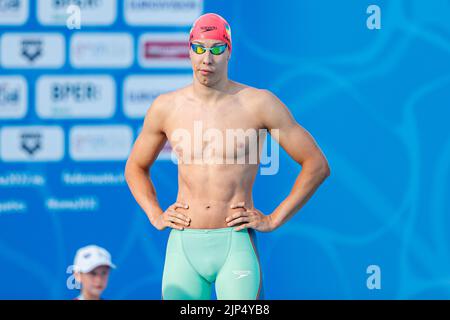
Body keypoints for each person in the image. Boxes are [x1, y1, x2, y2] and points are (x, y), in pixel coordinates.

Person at [124, 13, 330, 300]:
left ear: (229, 51)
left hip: (235, 243)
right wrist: (155, 214)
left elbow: (316, 165)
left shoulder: (259, 104)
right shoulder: (166, 107)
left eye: (216, 49)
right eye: (199, 48)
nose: (206, 58)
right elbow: (135, 166)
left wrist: (273, 219)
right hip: (183, 244)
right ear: (189, 50)